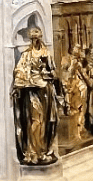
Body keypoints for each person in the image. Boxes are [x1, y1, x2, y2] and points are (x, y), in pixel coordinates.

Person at [11, 26, 64, 165]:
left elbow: (55, 73)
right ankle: (32, 151)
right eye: (34, 39)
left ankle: (43, 150)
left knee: (47, 121)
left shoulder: (47, 54)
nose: (36, 41)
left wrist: (49, 74)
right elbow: (19, 72)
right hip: (31, 92)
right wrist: (20, 84)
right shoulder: (26, 55)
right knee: (35, 121)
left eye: (38, 38)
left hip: (45, 91)